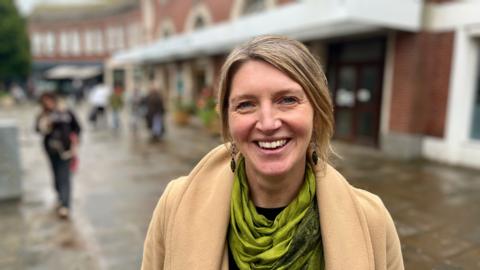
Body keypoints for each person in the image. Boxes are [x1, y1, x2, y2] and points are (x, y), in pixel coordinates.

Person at [141, 35, 404, 269]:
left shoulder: (372, 220)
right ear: (227, 121)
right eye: (246, 104)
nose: (267, 124)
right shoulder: (175, 205)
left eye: (287, 100)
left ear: (318, 112)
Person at [35, 93, 81, 219]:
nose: (48, 103)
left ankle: (65, 205)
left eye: (49, 100)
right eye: (45, 102)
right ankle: (60, 196)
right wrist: (46, 123)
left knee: (65, 177)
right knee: (56, 176)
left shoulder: (66, 112)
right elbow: (37, 129)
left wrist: (75, 139)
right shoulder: (42, 115)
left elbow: (77, 127)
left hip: (66, 150)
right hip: (51, 150)